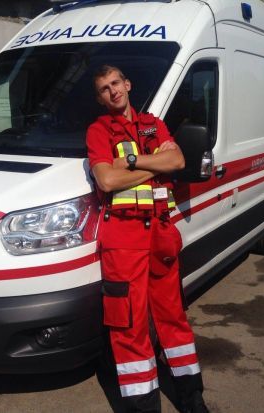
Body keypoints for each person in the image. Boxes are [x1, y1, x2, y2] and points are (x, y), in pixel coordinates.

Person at [86, 65, 209, 413]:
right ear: (100, 98)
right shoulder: (98, 130)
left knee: (174, 317)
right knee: (130, 326)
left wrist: (129, 160)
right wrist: (156, 163)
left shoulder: (153, 124)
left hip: (161, 236)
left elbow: (178, 159)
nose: (113, 91)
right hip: (123, 240)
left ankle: (192, 398)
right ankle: (143, 407)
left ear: (127, 84)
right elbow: (106, 181)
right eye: (104, 88)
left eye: (116, 83)